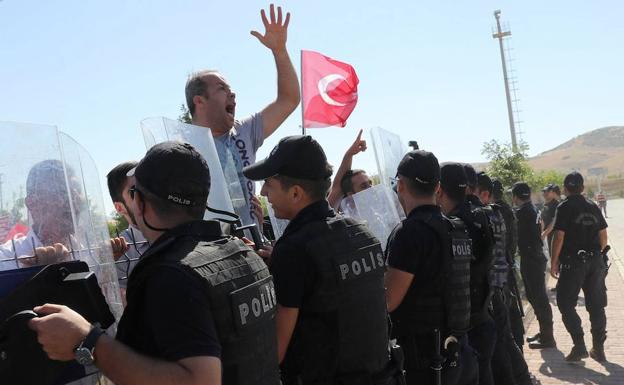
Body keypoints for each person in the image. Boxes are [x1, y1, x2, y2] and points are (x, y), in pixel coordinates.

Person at [29, 141, 280, 385]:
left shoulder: (173, 276)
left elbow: (200, 380)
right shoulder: (244, 254)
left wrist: (88, 341)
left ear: (138, 203)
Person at [243, 135, 400, 385]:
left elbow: (276, 351)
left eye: (269, 185)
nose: (263, 193)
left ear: (295, 193)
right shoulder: (362, 233)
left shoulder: (294, 249)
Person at [186, 4, 300, 227]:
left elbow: (289, 100)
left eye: (231, 89)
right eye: (222, 89)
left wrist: (279, 51)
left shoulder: (244, 131)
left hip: (252, 246)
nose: (233, 94)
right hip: (211, 250)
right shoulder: (183, 148)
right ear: (199, 101)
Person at [385, 151, 477, 385]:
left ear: (401, 185)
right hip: (460, 350)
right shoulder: (456, 228)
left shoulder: (409, 233)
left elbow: (387, 301)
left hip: (426, 361)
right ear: (438, 187)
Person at [439, 163, 495, 385]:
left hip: (468, 323)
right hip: (483, 312)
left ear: (439, 189)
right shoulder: (481, 215)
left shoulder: (454, 225)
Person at [475, 174, 533, 385]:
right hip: (501, 284)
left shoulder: (490, 215)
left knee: (504, 344)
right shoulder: (500, 212)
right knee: (507, 340)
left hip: (498, 286)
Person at [550, 172, 609, 362]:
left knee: (565, 303)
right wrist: (597, 257)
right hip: (595, 262)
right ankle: (598, 348)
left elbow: (559, 236)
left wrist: (554, 262)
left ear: (565, 189)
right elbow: (603, 235)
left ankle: (580, 345)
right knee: (597, 306)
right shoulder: (592, 205)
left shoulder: (564, 207)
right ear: (582, 188)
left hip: (574, 262)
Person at [512, 182, 555, 350]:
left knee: (539, 298)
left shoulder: (522, 212)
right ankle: (544, 333)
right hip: (535, 257)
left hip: (532, 259)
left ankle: (548, 338)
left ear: (516, 196)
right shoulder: (533, 208)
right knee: (534, 296)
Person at [106, 161, 150, 295]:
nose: (147, 195)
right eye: (135, 191)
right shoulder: (118, 252)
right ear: (119, 208)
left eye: (149, 186)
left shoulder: (178, 229)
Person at [491, 179, 524, 350]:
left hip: (501, 268)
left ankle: (516, 348)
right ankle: (519, 345)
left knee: (507, 312)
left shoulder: (494, 211)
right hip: (508, 263)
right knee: (512, 309)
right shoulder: (507, 209)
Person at [327, 129, 372, 209]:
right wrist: (349, 154)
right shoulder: (342, 220)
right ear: (351, 195)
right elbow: (337, 187)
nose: (371, 188)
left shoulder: (382, 214)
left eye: (370, 183)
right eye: (363, 186)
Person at [540, 184, 560, 255]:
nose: (544, 193)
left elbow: (553, 222)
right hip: (548, 234)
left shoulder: (556, 205)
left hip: (555, 235)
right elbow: (543, 220)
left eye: (547, 191)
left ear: (552, 192)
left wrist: (543, 234)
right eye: (544, 191)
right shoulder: (546, 204)